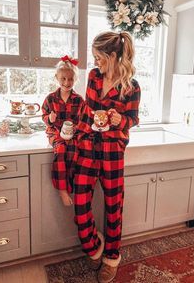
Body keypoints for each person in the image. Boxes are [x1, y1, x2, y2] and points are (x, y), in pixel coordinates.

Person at [74, 31, 141, 283]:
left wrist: (119, 119)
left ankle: (112, 257)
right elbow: (86, 109)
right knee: (80, 203)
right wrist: (79, 136)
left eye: (99, 58)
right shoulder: (93, 77)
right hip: (88, 147)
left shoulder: (131, 87)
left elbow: (133, 119)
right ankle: (93, 245)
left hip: (113, 152)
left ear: (112, 56)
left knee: (114, 208)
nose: (95, 62)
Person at [42, 56, 84, 206]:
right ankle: (62, 190)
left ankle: (69, 184)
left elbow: (82, 120)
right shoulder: (50, 98)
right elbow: (43, 116)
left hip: (72, 134)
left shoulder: (79, 100)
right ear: (57, 78)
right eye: (63, 79)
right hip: (55, 132)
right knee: (60, 150)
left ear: (75, 79)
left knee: (73, 149)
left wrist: (76, 128)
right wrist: (50, 119)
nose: (67, 83)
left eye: (70, 79)